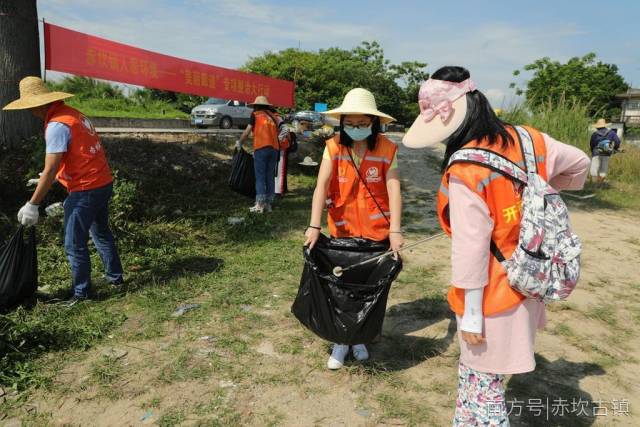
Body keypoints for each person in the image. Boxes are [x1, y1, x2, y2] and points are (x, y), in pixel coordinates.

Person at [403, 66, 590, 425]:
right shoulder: (529, 139)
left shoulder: (465, 169)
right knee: (478, 380)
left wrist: (471, 315)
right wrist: (542, 194)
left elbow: (471, 251)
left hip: (491, 296)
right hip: (529, 276)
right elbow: (580, 162)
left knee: (484, 387)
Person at [304, 88, 404, 370]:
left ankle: (359, 336)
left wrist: (395, 230)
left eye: (362, 124)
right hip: (343, 229)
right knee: (342, 288)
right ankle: (341, 340)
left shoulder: (387, 148)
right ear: (342, 122)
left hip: (376, 231)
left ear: (373, 123)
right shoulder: (333, 146)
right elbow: (321, 185)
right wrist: (314, 225)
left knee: (368, 287)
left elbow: (394, 190)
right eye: (351, 123)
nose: (356, 129)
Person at [3, 76, 124, 306]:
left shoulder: (57, 125)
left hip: (85, 190)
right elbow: (79, 155)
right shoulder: (73, 115)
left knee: (73, 243)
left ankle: (82, 295)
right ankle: (115, 279)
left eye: (30, 107)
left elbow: (51, 168)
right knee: (101, 233)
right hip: (102, 182)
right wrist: (52, 176)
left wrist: (33, 204)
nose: (30, 112)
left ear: (39, 104)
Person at [236, 95, 282, 213]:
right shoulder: (274, 116)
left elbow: (247, 132)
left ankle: (259, 205)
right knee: (270, 176)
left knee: (260, 177)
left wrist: (239, 143)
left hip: (261, 148)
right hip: (275, 149)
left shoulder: (255, 115)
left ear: (255, 106)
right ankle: (268, 204)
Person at [589, 118, 621, 185]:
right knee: (603, 169)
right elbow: (617, 141)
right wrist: (615, 148)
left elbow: (592, 144)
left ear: (597, 127)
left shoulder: (594, 134)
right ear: (605, 125)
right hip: (606, 152)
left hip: (596, 153)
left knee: (594, 168)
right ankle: (600, 184)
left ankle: (593, 184)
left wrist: (593, 151)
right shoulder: (612, 133)